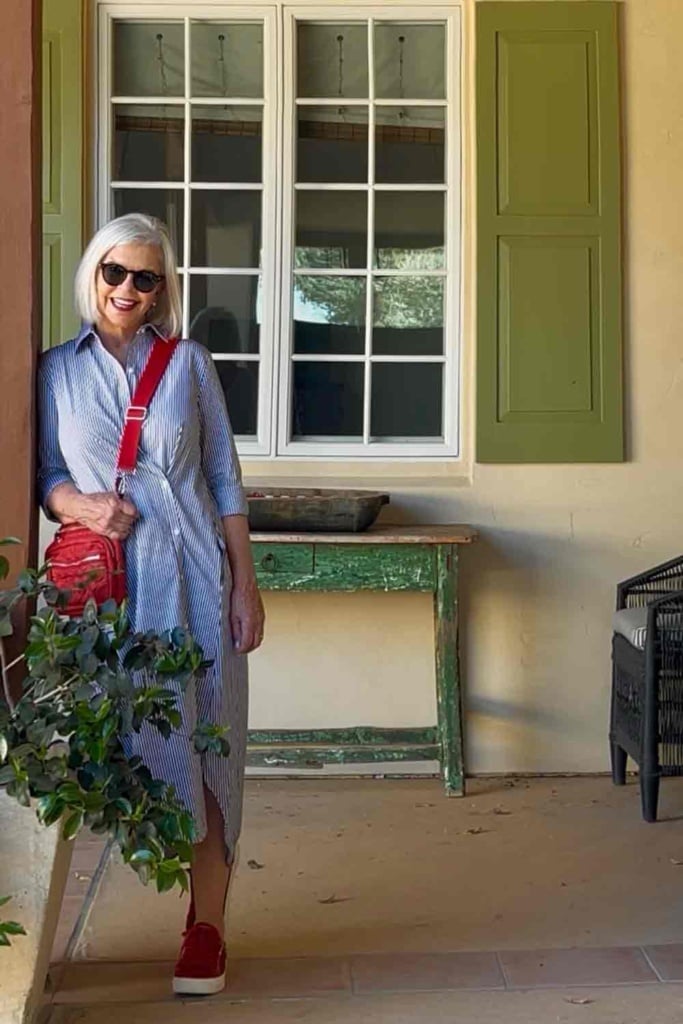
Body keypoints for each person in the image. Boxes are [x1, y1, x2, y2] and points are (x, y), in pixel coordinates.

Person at [37, 212, 264, 996]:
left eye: (146, 278)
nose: (128, 290)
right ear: (92, 274)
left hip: (199, 580)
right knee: (109, 749)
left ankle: (206, 928)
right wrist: (82, 504)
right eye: (115, 273)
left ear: (163, 289)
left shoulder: (188, 363)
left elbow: (225, 477)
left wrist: (247, 584)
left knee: (208, 747)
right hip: (110, 594)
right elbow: (42, 477)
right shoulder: (54, 371)